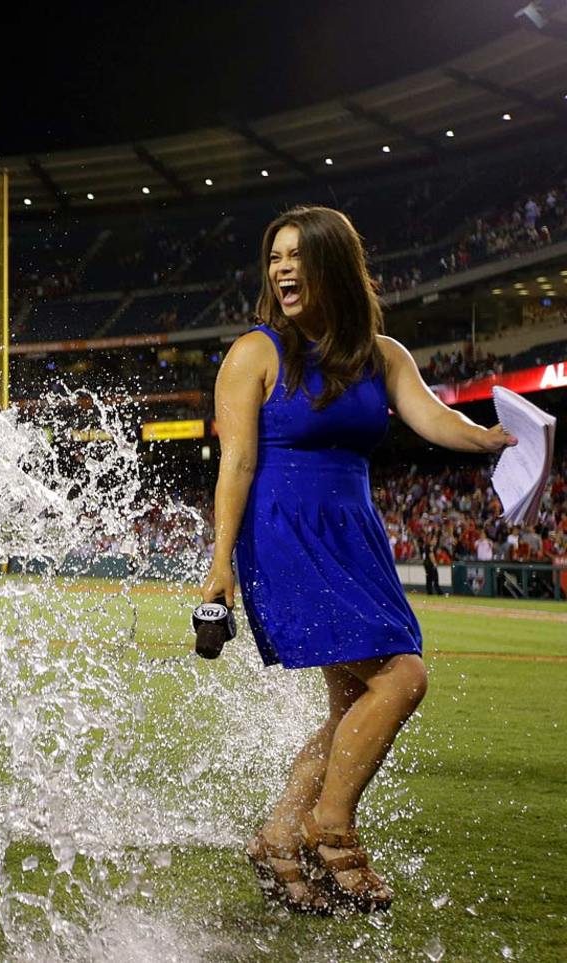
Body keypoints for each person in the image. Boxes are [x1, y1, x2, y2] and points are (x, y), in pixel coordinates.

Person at [201, 206, 514, 914]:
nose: (281, 268)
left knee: (353, 700)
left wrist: (490, 439)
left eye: (296, 256)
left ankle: (280, 833)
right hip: (284, 530)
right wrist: (220, 563)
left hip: (355, 533)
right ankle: (330, 824)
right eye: (274, 256)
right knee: (403, 677)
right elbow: (238, 461)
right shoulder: (255, 352)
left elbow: (434, 417)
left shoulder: (383, 354)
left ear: (331, 265)